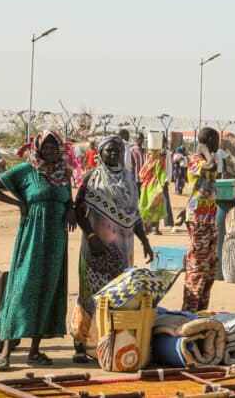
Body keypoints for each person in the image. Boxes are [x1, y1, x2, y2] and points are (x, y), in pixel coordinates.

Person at [0, 130, 76, 370]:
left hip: (56, 240)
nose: (48, 152)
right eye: (44, 148)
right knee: (22, 289)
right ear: (37, 148)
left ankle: (35, 352)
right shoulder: (26, 171)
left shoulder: (64, 174)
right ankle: (6, 352)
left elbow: (68, 200)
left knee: (48, 289)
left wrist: (70, 208)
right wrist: (17, 203)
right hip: (31, 237)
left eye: (52, 147)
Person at [71, 134, 154, 362]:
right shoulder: (92, 177)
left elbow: (134, 214)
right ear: (100, 152)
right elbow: (78, 209)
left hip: (123, 249)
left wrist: (144, 241)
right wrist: (90, 235)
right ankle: (80, 342)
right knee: (89, 295)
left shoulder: (129, 178)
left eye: (117, 150)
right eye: (109, 150)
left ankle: (109, 343)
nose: (113, 153)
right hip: (95, 248)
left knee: (118, 296)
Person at [182, 127, 220, 312]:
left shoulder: (210, 158)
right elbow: (211, 167)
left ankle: (201, 312)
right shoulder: (196, 160)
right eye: (217, 140)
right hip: (199, 220)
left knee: (209, 269)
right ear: (210, 140)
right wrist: (205, 150)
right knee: (197, 268)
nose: (219, 145)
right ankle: (188, 312)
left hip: (209, 219)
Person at [138, 143, 168, 235]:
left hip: (146, 187)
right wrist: (163, 184)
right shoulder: (159, 162)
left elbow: (141, 175)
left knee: (146, 206)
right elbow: (162, 174)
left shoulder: (146, 163)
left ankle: (146, 228)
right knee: (157, 206)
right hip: (155, 187)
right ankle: (156, 229)